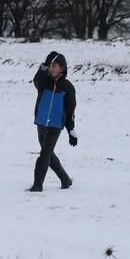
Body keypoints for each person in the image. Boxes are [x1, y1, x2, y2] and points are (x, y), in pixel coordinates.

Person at [29, 51, 77, 192]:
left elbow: (70, 110)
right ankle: (65, 179)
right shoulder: (44, 83)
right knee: (48, 153)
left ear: (62, 68)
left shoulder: (67, 87)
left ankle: (38, 185)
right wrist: (44, 64)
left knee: (44, 154)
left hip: (55, 126)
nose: (51, 68)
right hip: (42, 123)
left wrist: (71, 130)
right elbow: (36, 80)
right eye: (50, 65)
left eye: (54, 65)